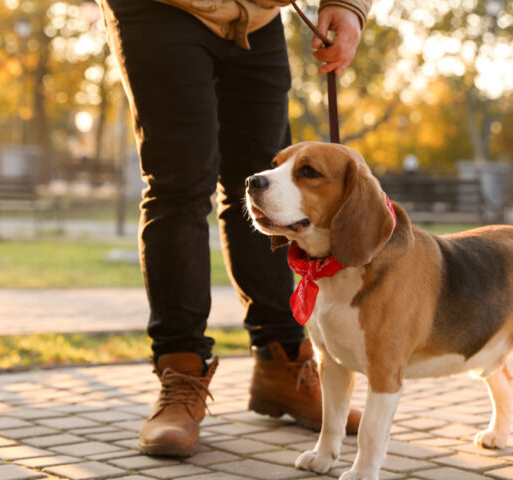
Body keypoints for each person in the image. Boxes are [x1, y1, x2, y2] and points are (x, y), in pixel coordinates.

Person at [99, 0, 371, 456]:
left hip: (258, 19)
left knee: (271, 194)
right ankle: (180, 371)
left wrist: (347, 6)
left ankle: (282, 362)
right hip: (160, 11)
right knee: (179, 185)